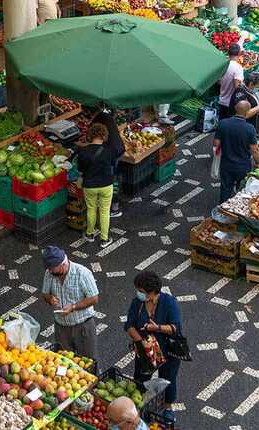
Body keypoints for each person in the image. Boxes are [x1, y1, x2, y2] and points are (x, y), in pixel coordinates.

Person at [124, 271, 182, 422]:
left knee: (168, 378)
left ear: (151, 292)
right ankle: (139, 405)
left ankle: (168, 407)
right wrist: (141, 342)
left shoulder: (169, 302)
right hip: (145, 350)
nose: (138, 293)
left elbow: (175, 327)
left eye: (141, 291)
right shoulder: (137, 303)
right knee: (141, 378)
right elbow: (129, 326)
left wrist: (157, 328)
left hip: (167, 350)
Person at [39, 246, 100, 363]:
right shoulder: (49, 273)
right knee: (63, 362)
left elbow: (94, 298)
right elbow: (45, 294)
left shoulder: (82, 273)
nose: (50, 271)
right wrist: (50, 298)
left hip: (82, 327)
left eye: (53, 269)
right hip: (61, 328)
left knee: (88, 363)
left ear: (63, 264)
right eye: (49, 269)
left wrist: (73, 307)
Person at [76, 124, 116, 246]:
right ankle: (104, 239)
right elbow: (113, 165)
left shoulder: (83, 152)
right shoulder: (110, 150)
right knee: (104, 211)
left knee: (91, 209)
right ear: (104, 135)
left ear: (90, 135)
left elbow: (81, 169)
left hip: (90, 185)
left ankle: (90, 234)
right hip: (106, 185)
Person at [215, 101, 259, 203]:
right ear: (248, 112)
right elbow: (254, 150)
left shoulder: (223, 123)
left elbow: (216, 144)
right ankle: (236, 212)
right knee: (242, 190)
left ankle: (222, 212)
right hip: (243, 166)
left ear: (235, 108)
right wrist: (258, 163)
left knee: (225, 189)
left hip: (226, 164)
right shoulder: (250, 128)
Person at [90, 106, 124, 218]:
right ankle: (113, 203)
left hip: (112, 153)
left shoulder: (97, 122)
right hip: (119, 149)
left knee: (111, 178)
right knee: (114, 176)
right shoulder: (105, 116)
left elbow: (98, 141)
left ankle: (114, 207)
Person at [217, 44, 245, 118]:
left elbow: (218, 81)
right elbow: (237, 86)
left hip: (221, 100)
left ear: (228, 53)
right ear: (239, 53)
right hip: (231, 103)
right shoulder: (238, 67)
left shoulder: (223, 65)